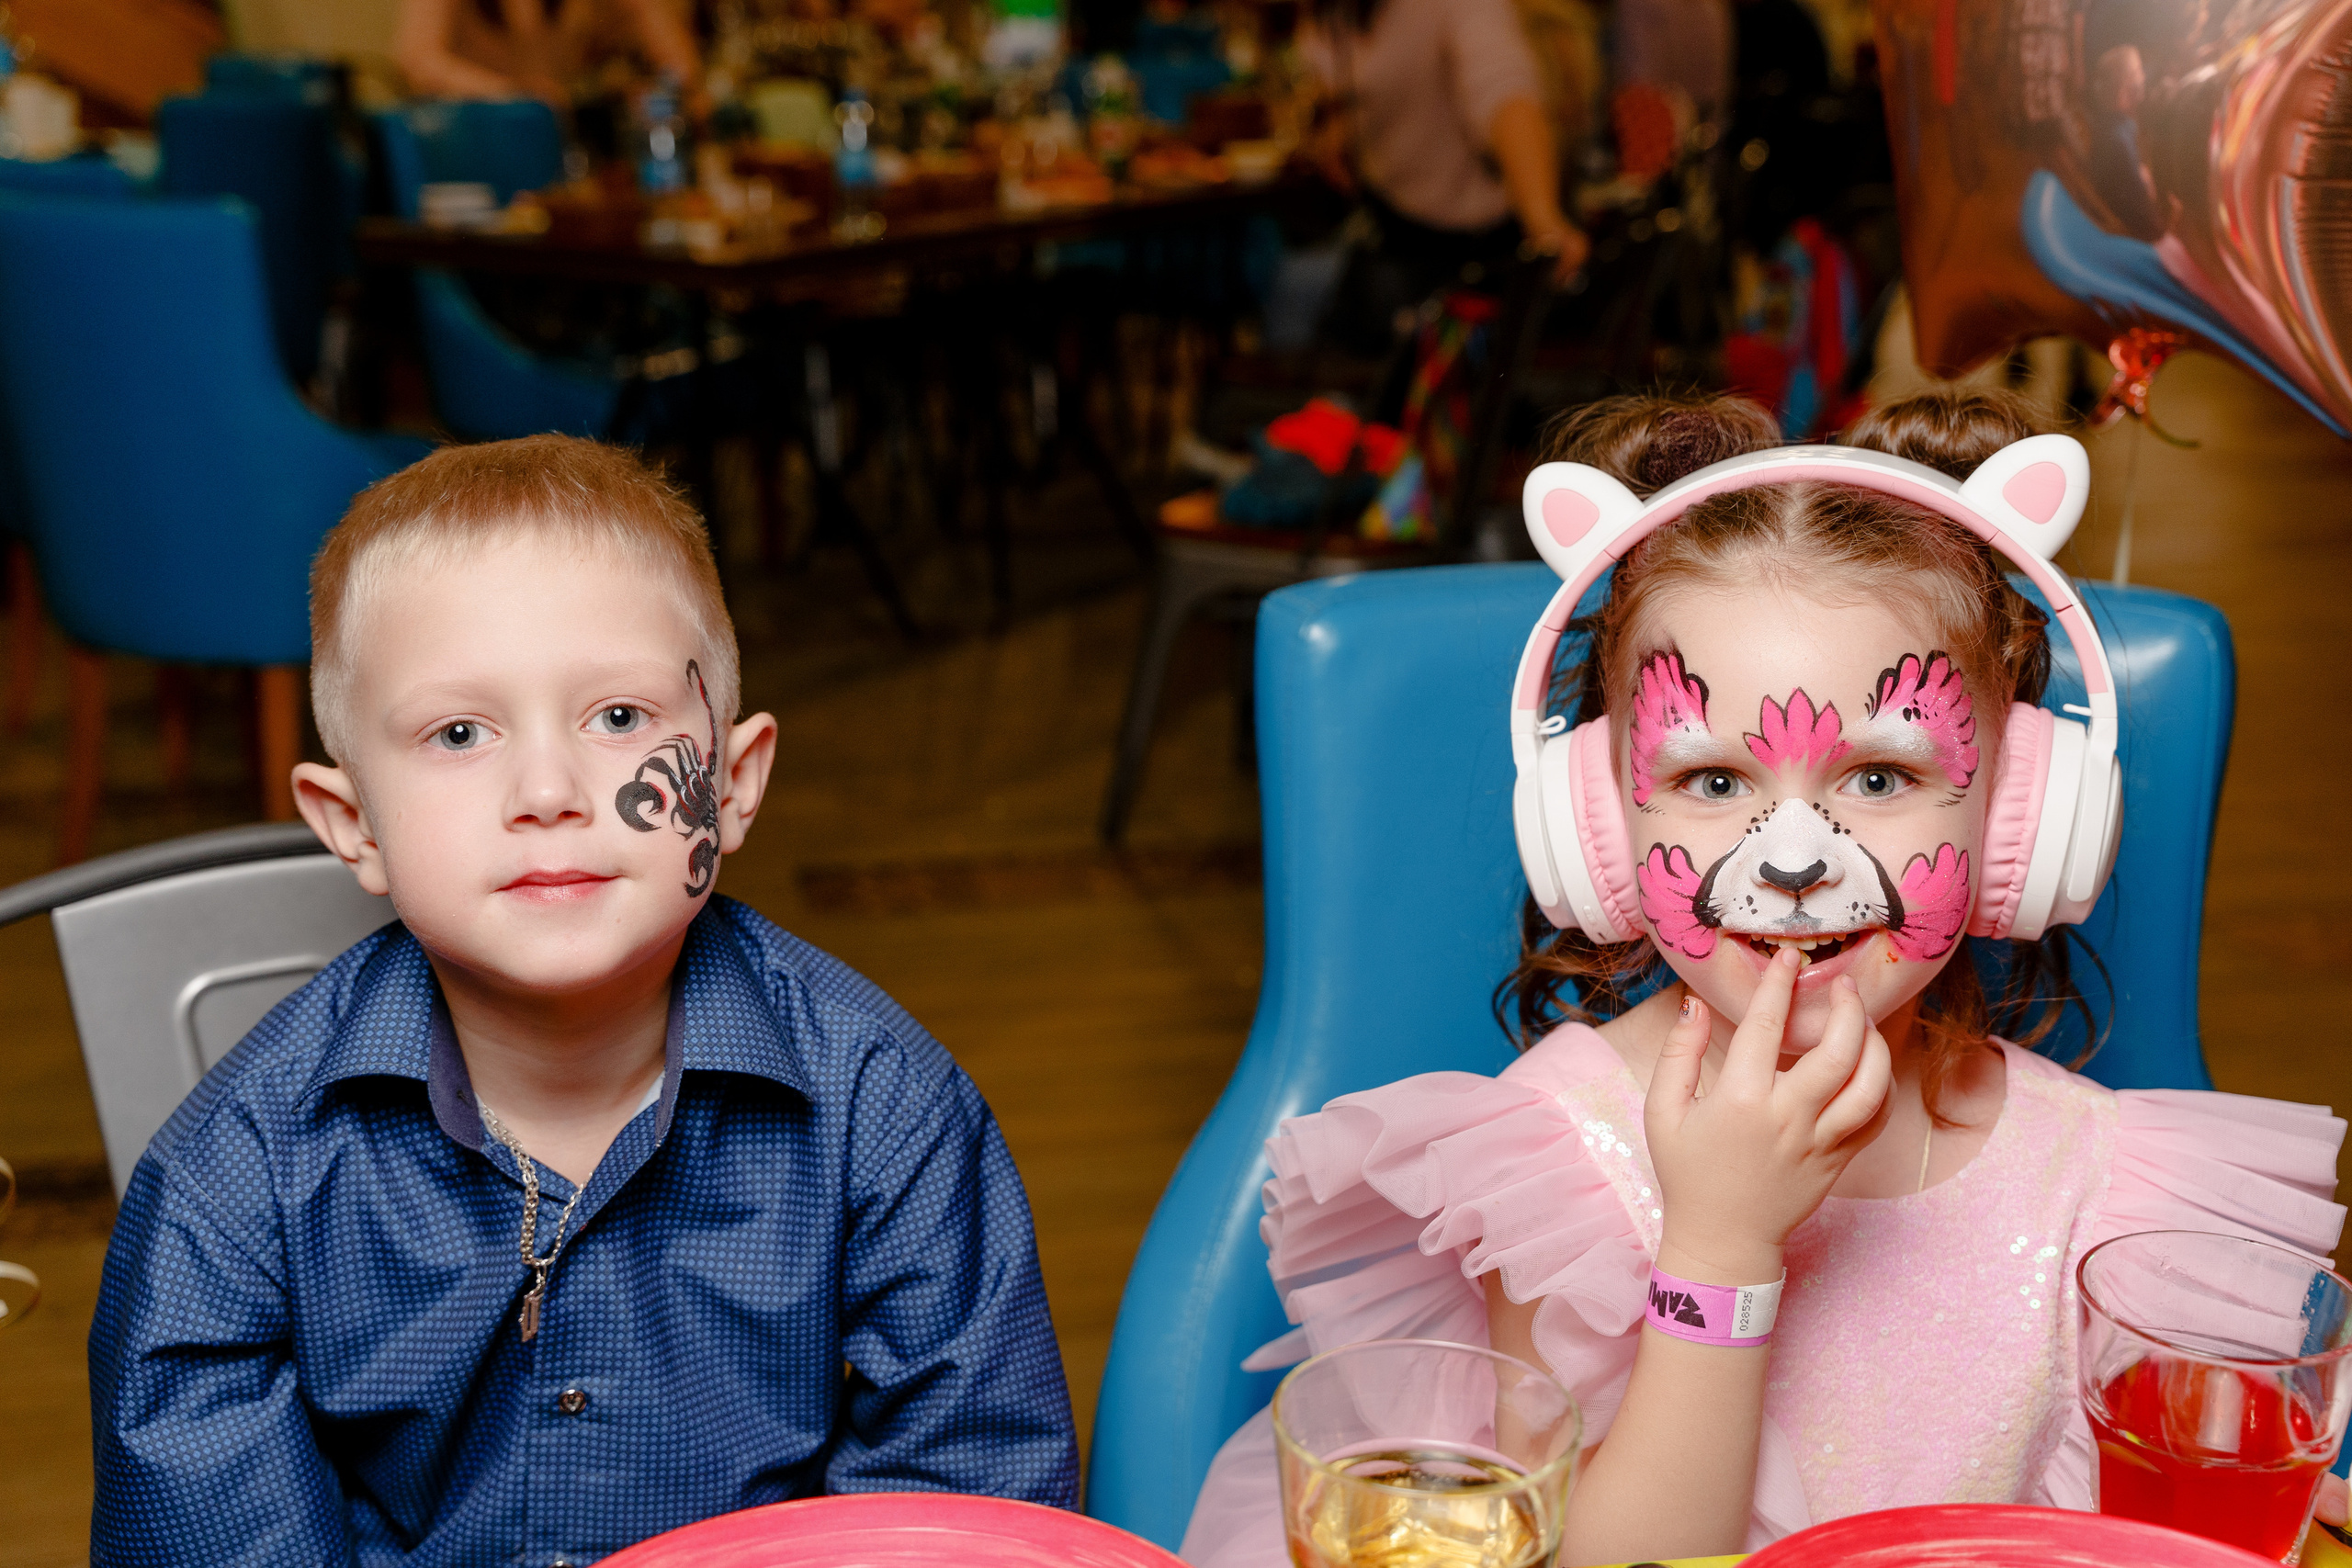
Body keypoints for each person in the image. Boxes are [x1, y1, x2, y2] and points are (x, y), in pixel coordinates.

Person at [1178, 389, 2348, 1564]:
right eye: (1712, 781)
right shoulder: (1550, 1168)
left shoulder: (2102, 1181)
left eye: (1880, 778)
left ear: (2021, 812)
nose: (1793, 862)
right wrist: (1717, 1249)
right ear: (1599, 823)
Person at [87, 437, 1079, 1565]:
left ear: (733, 783)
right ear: (354, 824)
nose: (548, 791)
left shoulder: (888, 1114)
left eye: (618, 718)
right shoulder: (231, 1177)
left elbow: (967, 1509)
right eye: (460, 733)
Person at [1299, 0, 1589, 343]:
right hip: (1393, 228)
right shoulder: (1334, 17)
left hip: (1473, 247)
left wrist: (1542, 218)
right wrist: (1340, 121)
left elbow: (1505, 96)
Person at [393, 0, 703, 109]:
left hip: (560, 150)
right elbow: (417, 58)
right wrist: (513, 94)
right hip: (475, 145)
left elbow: (678, 63)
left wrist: (666, 87)